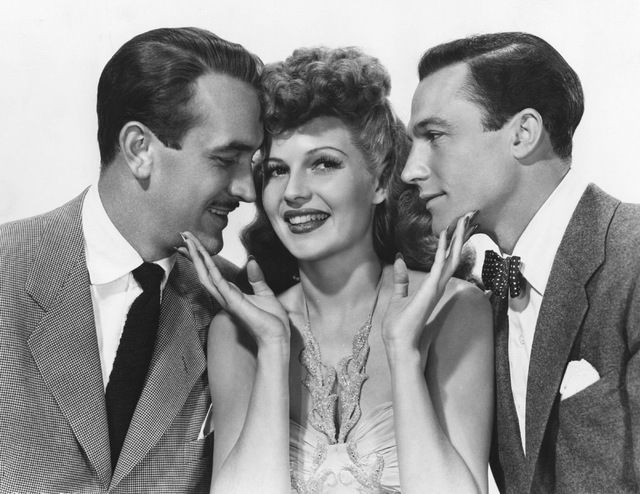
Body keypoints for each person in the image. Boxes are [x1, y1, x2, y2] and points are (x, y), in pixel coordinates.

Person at [181, 46, 493, 493]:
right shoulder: (237, 331)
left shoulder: (453, 309)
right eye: (276, 170)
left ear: (381, 180)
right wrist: (272, 348)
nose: (293, 192)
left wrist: (404, 352)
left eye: (323, 164)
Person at [0, 27, 263, 492]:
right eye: (226, 159)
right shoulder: (7, 267)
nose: (247, 190)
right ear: (140, 149)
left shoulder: (233, 304)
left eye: (253, 164)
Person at [402, 32, 640, 493]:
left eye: (434, 136)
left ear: (523, 133)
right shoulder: (480, 305)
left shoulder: (632, 257)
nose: (411, 169)